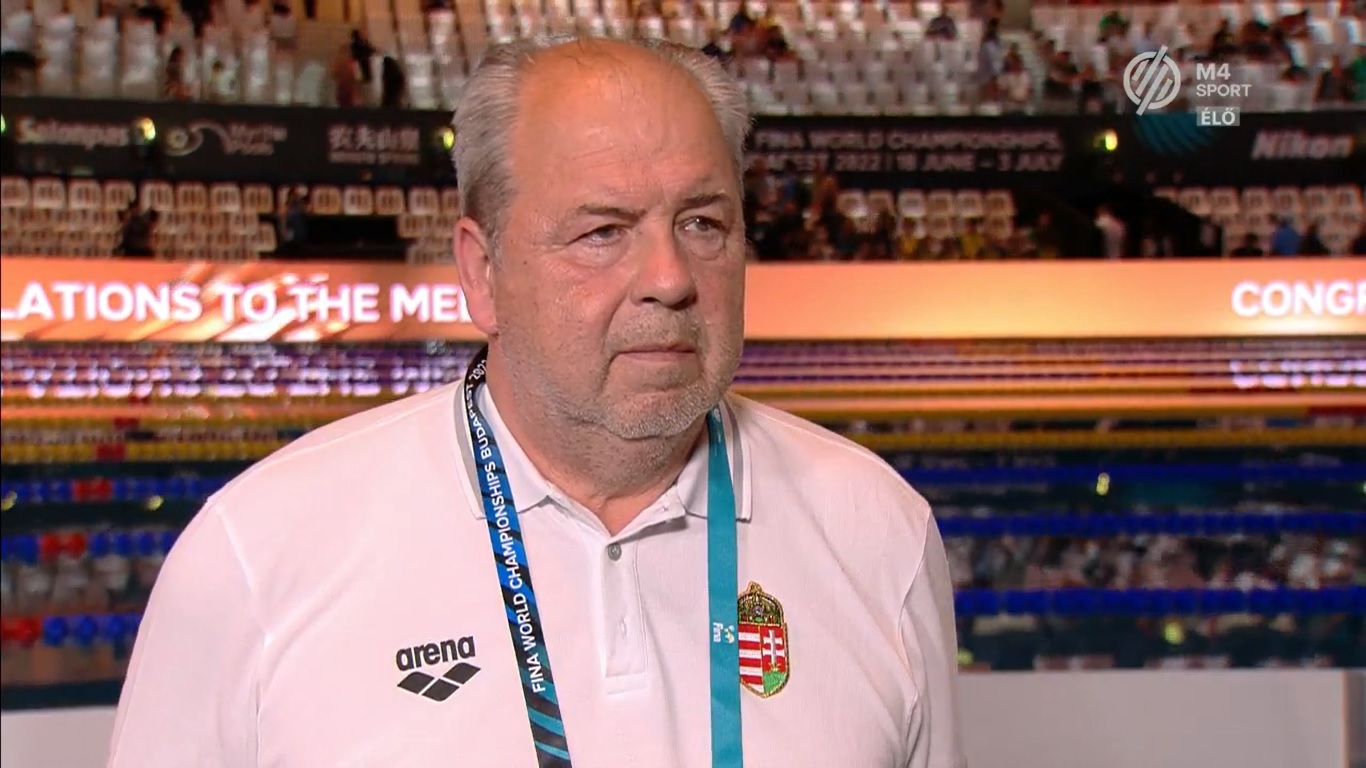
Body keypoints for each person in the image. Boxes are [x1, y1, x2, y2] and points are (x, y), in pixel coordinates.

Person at [108, 36, 963, 767]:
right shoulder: (258, 558)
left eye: (703, 223)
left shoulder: (878, 534)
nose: (669, 278)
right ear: (483, 272)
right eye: (603, 231)